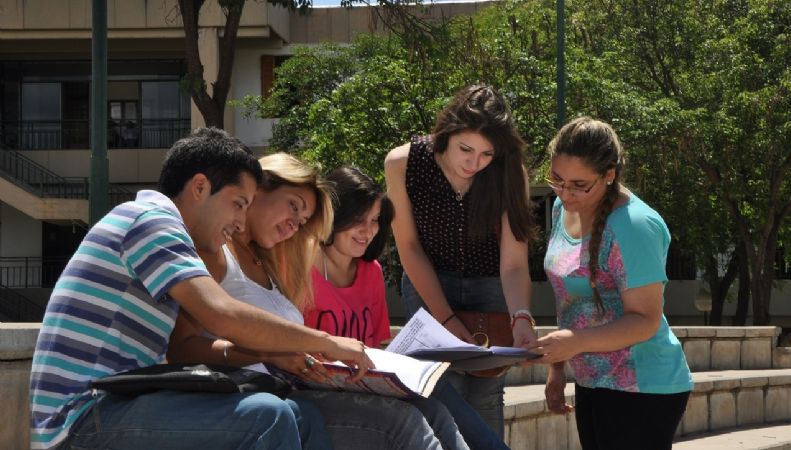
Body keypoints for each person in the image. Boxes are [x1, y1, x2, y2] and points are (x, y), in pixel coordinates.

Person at [29, 127, 372, 450]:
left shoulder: (163, 227)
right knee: (268, 417)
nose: (240, 221)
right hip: (80, 417)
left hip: (117, 403)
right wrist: (327, 342)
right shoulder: (150, 220)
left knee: (304, 417)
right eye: (238, 203)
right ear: (199, 187)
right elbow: (222, 314)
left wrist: (271, 352)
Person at [168, 153, 468, 450]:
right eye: (293, 207)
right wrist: (273, 351)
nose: (293, 226)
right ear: (259, 187)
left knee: (433, 409)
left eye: (302, 221)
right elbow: (182, 347)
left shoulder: (268, 265)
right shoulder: (218, 251)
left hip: (296, 390)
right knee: (401, 422)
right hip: (258, 400)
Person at [307, 165, 511, 450]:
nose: (368, 231)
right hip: (317, 388)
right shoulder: (302, 270)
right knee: (406, 417)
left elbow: (375, 345)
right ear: (332, 216)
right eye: (358, 220)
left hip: (363, 381)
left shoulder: (371, 271)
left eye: (376, 220)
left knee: (436, 398)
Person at [384, 84, 539, 436]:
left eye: (487, 154)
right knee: (440, 390)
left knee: (486, 391)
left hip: (492, 285)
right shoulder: (403, 163)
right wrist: (447, 318)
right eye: (465, 149)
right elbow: (408, 247)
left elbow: (514, 263)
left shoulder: (509, 172)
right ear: (445, 133)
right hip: (428, 280)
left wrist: (522, 317)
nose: (474, 163)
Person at [535, 117, 693, 450]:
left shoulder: (635, 225)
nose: (565, 193)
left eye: (580, 184)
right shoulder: (562, 207)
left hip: (642, 386)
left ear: (609, 175)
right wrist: (558, 368)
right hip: (592, 379)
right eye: (558, 180)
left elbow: (646, 320)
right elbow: (569, 300)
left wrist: (574, 342)